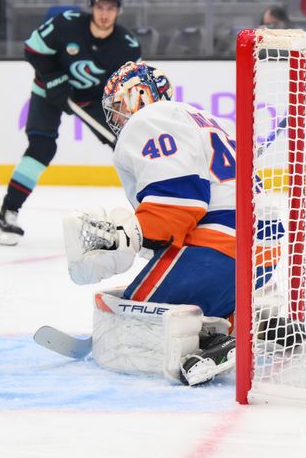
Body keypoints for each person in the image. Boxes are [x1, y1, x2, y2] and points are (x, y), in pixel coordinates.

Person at [62, 60, 243, 386]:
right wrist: (138, 236)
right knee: (157, 296)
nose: (116, 118)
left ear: (138, 95)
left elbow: (178, 202)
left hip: (221, 251)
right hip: (261, 255)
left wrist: (120, 236)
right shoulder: (202, 119)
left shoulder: (149, 120)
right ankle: (245, 320)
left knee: (128, 324)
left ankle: (226, 339)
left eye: (118, 106)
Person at [0, 0, 142, 245]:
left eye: (111, 7)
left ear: (119, 10)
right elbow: (33, 50)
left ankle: (151, 216)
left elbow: (126, 88)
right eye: (100, 6)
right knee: (41, 148)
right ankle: (8, 213)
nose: (105, 13)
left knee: (126, 146)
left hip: (95, 100)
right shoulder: (65, 24)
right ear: (91, 7)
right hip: (48, 91)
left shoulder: (127, 47)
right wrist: (52, 77)